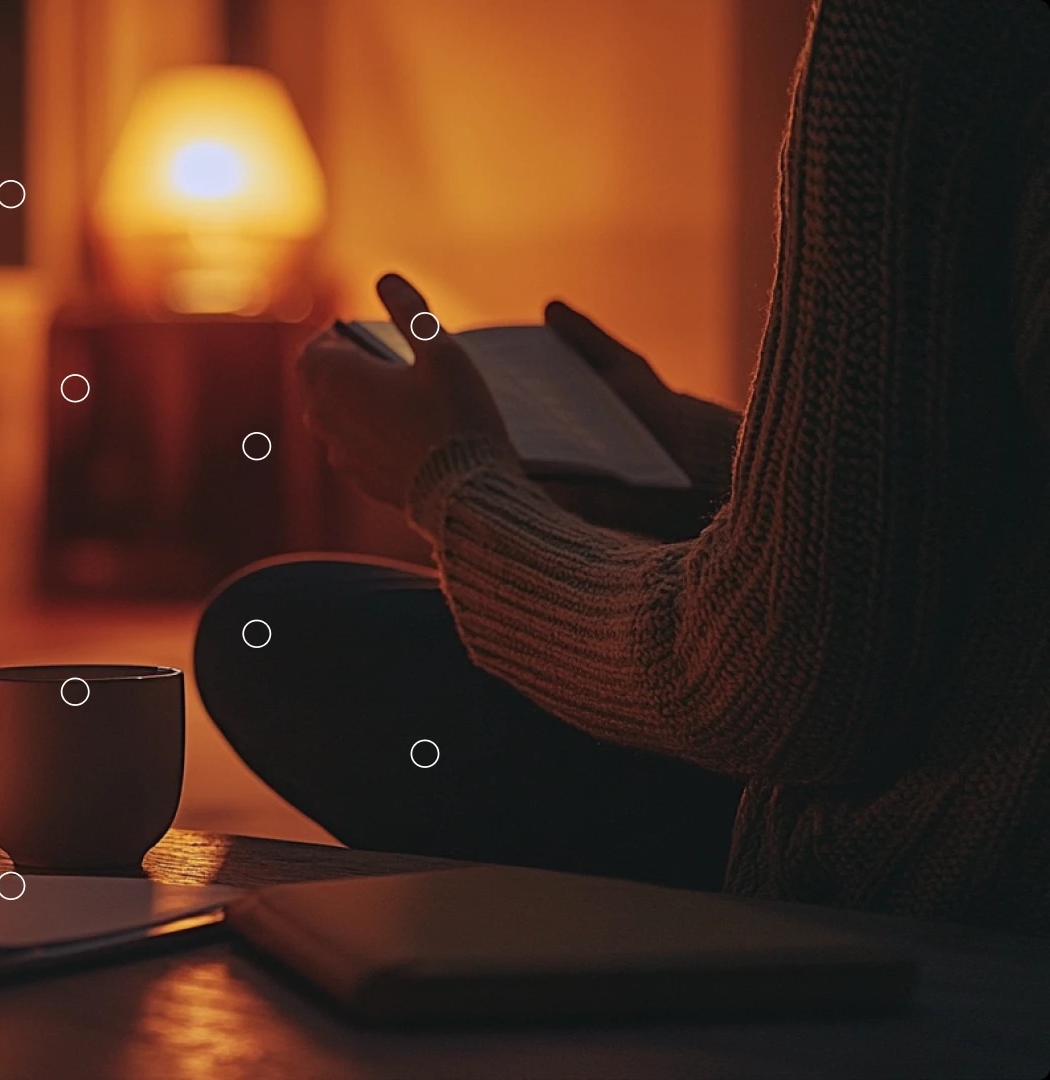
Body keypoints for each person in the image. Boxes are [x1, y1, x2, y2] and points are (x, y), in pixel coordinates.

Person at [194, 0, 1050, 933]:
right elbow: (993, 531)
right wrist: (678, 445)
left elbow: (784, 681)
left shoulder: (926, 32)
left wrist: (453, 484)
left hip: (952, 866)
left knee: (274, 631)